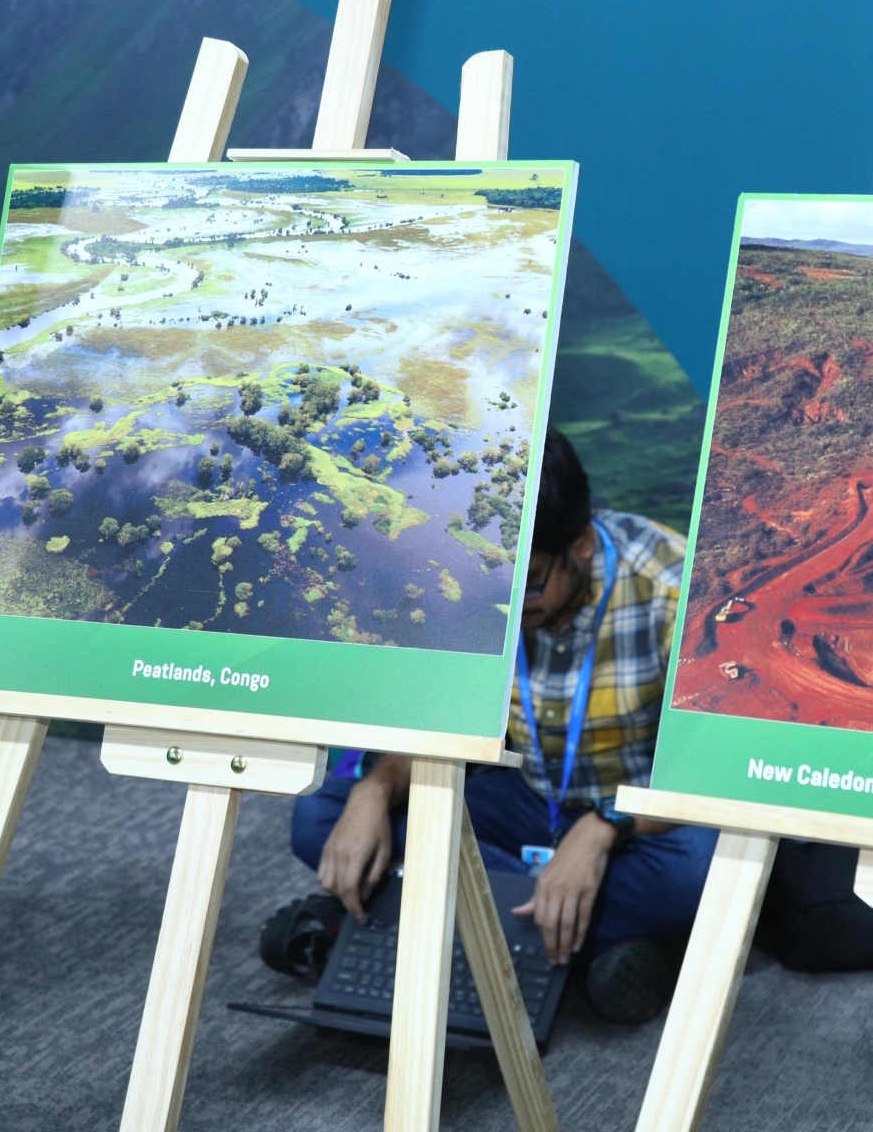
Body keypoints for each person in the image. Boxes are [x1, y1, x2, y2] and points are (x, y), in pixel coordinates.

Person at [274, 429, 716, 1024]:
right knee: (323, 817)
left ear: (582, 545)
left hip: (640, 818)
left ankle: (404, 922)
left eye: (529, 584)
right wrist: (375, 789)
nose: (508, 604)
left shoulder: (674, 592)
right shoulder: (471, 571)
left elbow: (711, 772)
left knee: (698, 874)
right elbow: (441, 719)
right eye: (495, 580)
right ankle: (570, 940)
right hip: (524, 794)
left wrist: (605, 826)